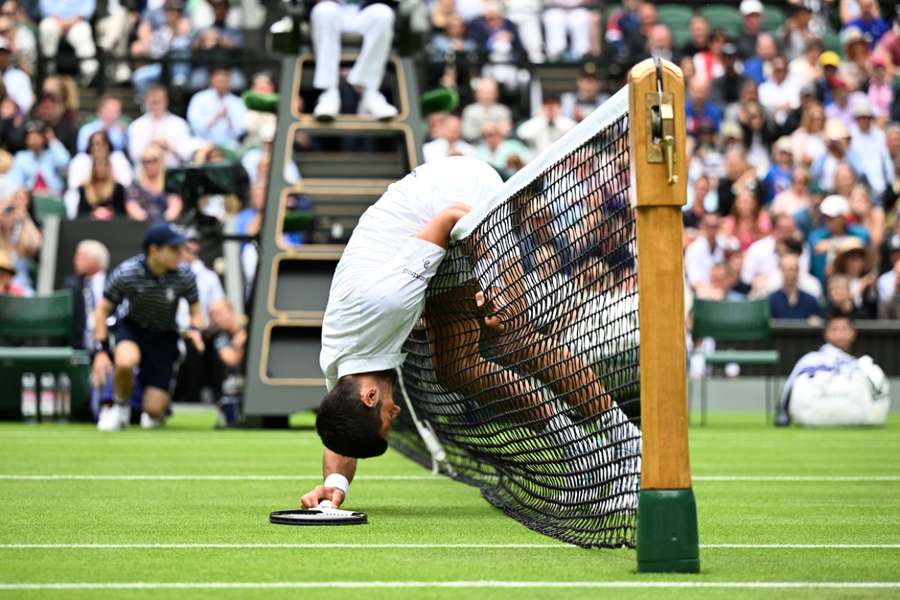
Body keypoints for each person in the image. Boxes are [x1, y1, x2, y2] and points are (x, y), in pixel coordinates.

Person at [300, 156, 637, 510]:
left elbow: (453, 216)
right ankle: (583, 459)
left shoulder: (387, 302)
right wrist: (334, 484)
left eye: (387, 417)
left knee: (511, 335)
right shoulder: (343, 371)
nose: (396, 411)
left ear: (370, 396)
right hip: (423, 229)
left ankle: (627, 444)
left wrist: (495, 285)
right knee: (455, 367)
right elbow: (341, 429)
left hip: (456, 191)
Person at [92, 222, 204, 431]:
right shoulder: (127, 272)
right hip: (132, 328)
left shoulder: (185, 275)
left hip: (164, 335)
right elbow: (102, 311)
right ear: (154, 250)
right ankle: (120, 407)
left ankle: (158, 408)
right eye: (174, 249)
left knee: (152, 413)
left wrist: (195, 330)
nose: (181, 254)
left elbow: (196, 310)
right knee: (125, 362)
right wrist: (101, 351)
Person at [776, 312, 889, 427]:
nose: (840, 334)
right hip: (814, 414)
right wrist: (783, 412)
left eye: (844, 329)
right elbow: (790, 385)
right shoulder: (811, 359)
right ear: (826, 334)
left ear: (853, 333)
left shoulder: (862, 363)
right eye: (835, 329)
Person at [309, 0, 397, 121]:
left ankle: (368, 91)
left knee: (383, 13)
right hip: (332, 12)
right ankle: (329, 93)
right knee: (324, 10)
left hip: (365, 12)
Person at [127, 85, 195, 167]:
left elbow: (187, 154)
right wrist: (151, 145)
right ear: (146, 102)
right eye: (153, 102)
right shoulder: (136, 126)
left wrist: (168, 146)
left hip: (173, 172)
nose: (156, 105)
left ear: (166, 101)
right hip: (145, 174)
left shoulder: (179, 124)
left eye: (159, 101)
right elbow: (134, 155)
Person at [186, 67, 248, 150]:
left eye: (224, 81)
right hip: (203, 143)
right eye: (219, 81)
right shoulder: (199, 98)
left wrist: (228, 118)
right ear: (212, 81)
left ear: (229, 83)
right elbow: (195, 126)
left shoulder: (238, 102)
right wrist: (216, 118)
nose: (221, 84)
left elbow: (240, 130)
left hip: (229, 145)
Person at [37, 0, 98, 83]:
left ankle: (89, 74)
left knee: (83, 32)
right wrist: (60, 22)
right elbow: (45, 9)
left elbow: (87, 10)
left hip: (77, 22)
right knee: (46, 27)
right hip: (54, 20)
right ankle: (48, 70)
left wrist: (70, 22)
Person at [64, 239, 108, 350]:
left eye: (81, 256)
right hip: (79, 347)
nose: (75, 260)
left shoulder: (113, 282)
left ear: (95, 259)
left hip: (109, 346)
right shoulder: (72, 285)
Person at [768, 253, 823, 320]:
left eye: (793, 269)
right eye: (786, 269)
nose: (790, 273)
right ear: (781, 270)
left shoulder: (810, 301)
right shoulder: (771, 300)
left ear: (798, 270)